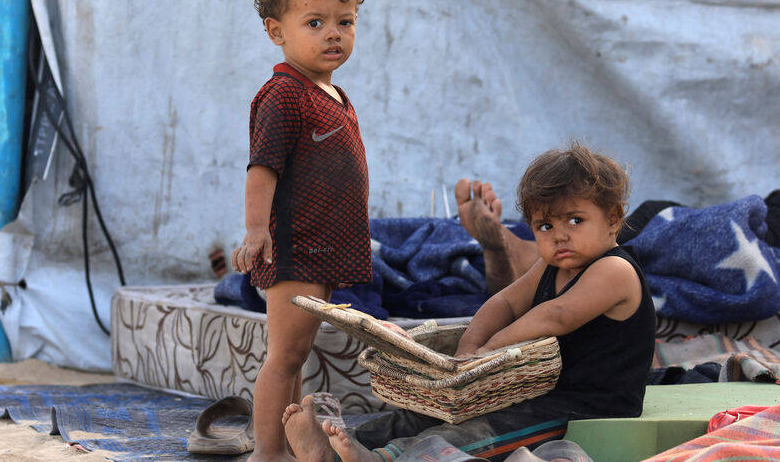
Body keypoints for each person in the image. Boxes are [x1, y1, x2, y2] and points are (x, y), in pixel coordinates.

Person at [281, 143, 657, 462]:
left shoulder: (615, 270)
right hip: (536, 391)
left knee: (476, 432)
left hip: (586, 408)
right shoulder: (551, 265)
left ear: (613, 219)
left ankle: (380, 459)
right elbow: (504, 303)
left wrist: (491, 349)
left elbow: (556, 315)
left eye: (575, 220)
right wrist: (468, 351)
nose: (559, 236)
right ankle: (336, 449)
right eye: (545, 227)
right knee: (427, 414)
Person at [230, 0, 374, 461]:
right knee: (284, 357)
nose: (333, 33)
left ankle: (288, 446)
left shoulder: (333, 93)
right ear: (277, 31)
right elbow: (262, 168)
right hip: (293, 249)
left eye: (345, 21)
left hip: (322, 251)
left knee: (296, 356)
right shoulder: (285, 94)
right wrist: (255, 231)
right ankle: (267, 453)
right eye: (315, 22)